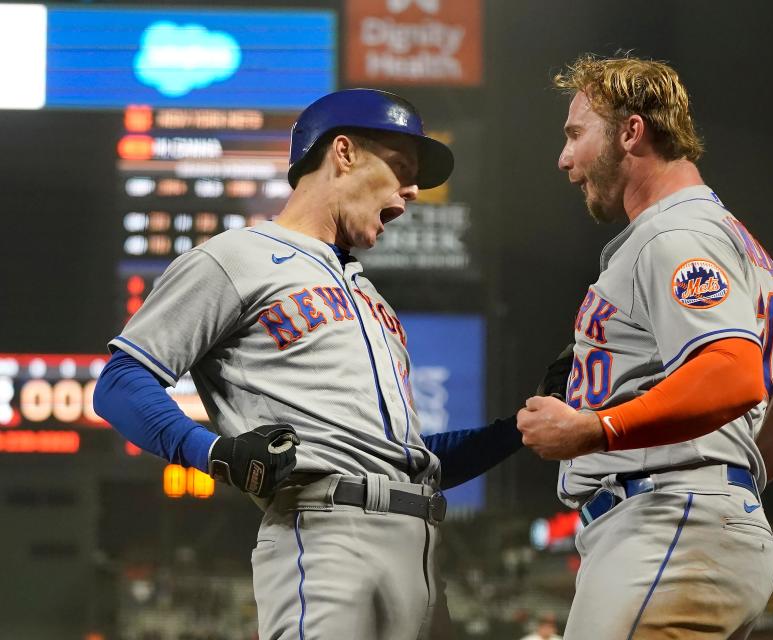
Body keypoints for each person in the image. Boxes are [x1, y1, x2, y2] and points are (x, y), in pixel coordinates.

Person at [94, 88, 524, 640]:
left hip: (420, 546)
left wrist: (516, 431)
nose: (413, 192)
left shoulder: (373, 300)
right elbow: (121, 381)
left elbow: (405, 459)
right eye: (399, 168)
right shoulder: (233, 258)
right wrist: (214, 452)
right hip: (325, 533)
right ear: (342, 152)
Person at [517, 54, 773, 639]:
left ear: (631, 131)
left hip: (664, 528)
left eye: (576, 134)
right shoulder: (738, 244)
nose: (565, 158)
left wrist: (594, 432)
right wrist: (736, 479)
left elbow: (733, 374)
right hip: (692, 524)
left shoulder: (675, 234)